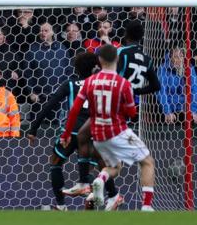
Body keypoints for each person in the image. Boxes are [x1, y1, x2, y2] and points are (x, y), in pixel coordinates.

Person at [61, 45, 156, 211]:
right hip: (118, 131)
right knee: (147, 162)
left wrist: (66, 133)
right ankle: (147, 207)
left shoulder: (90, 81)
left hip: (98, 135)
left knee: (114, 167)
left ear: (100, 60)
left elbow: (75, 109)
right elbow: (132, 112)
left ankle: (100, 179)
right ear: (117, 60)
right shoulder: (123, 83)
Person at [27, 52, 121, 211]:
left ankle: (61, 205)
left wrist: (34, 128)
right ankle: (110, 196)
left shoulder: (70, 85)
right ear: (95, 67)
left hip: (72, 133)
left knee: (55, 163)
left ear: (76, 69)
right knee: (96, 169)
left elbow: (50, 104)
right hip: (93, 133)